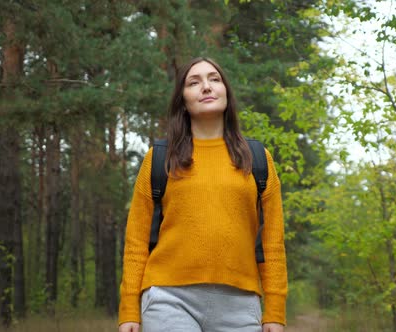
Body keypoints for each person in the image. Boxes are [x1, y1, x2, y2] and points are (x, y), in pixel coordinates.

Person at [118, 57, 287, 332]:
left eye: (214, 79)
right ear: (183, 101)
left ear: (226, 93)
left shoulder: (257, 159)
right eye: (194, 83)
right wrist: (128, 310)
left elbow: (272, 243)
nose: (206, 87)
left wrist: (275, 311)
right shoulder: (159, 158)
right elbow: (136, 241)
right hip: (168, 299)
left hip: (241, 304)